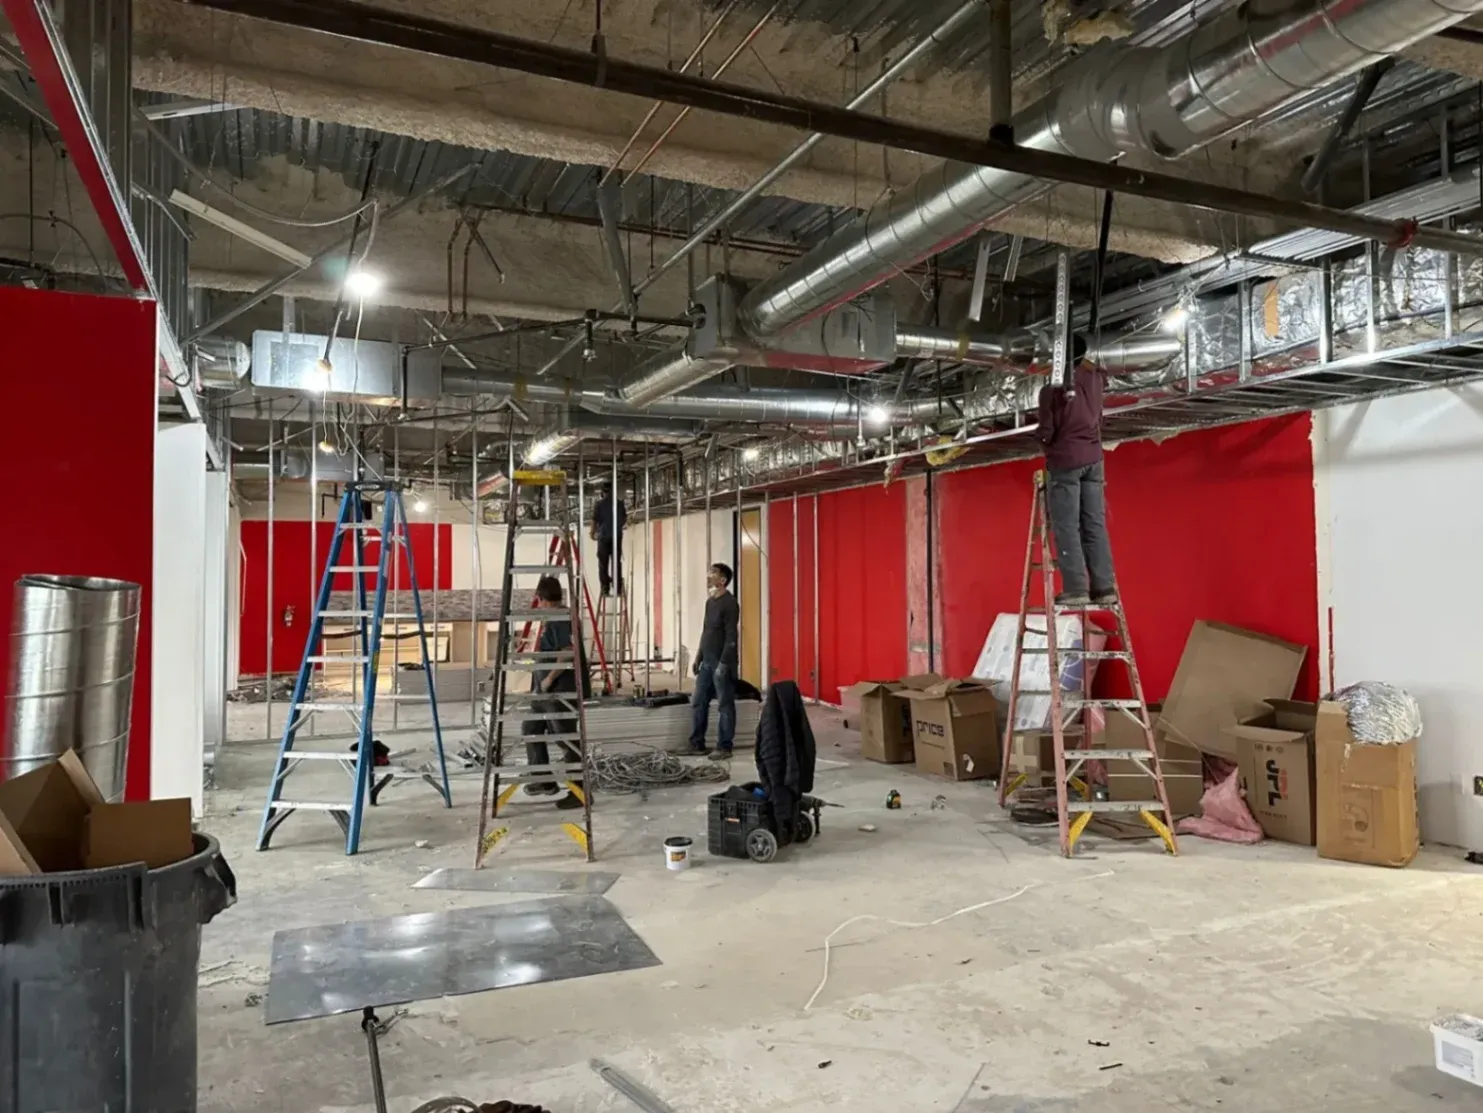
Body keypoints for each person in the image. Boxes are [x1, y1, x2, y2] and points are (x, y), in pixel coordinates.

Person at [1036, 359, 1117, 608]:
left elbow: (1047, 430)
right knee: (1094, 523)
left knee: (1067, 525)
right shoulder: (1095, 378)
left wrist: (1042, 441)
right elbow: (1099, 417)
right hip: (1094, 459)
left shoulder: (1052, 389)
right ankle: (1104, 587)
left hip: (1066, 460)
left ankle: (1076, 588)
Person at [522, 575, 588, 810]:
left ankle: (579, 792)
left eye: (538, 600)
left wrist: (549, 678)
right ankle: (544, 780)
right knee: (531, 728)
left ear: (542, 598)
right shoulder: (554, 617)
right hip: (545, 691)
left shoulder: (561, 618)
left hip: (559, 691)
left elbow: (568, 652)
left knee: (566, 738)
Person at [688, 563, 740, 760]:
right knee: (698, 701)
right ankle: (697, 744)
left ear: (723, 580)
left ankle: (724, 747)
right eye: (709, 572)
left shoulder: (730, 603)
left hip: (721, 663)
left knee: (725, 705)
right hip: (707, 662)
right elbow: (706, 631)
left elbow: (731, 636)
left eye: (713, 573)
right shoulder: (710, 602)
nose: (708, 576)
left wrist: (724, 664)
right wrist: (698, 657)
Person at [590, 484, 627, 597]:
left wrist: (592, 533)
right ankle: (618, 588)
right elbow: (624, 519)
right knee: (616, 563)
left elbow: (594, 520)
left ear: (602, 492)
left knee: (603, 563)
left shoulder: (599, 504)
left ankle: (605, 588)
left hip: (604, 537)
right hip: (616, 537)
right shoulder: (620, 504)